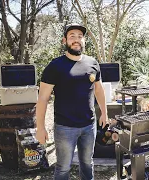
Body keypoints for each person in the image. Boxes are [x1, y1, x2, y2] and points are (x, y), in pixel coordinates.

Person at [35, 23, 109, 180]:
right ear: (64, 41)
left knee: (88, 163)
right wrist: (40, 128)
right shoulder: (55, 66)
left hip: (89, 126)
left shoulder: (92, 63)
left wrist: (104, 113)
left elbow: (98, 90)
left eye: (80, 37)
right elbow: (42, 98)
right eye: (72, 36)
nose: (76, 40)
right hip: (65, 128)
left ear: (84, 41)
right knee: (63, 168)